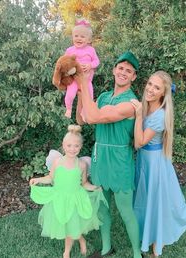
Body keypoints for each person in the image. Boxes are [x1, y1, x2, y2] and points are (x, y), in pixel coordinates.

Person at [131, 71, 186, 257]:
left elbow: (139, 142)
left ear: (163, 93)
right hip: (144, 162)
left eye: (157, 87)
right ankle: (150, 236)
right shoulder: (145, 107)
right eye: (150, 84)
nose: (150, 89)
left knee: (159, 204)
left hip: (155, 164)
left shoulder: (160, 116)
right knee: (146, 201)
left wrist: (137, 117)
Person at [76, 51, 143, 258]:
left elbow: (94, 116)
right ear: (114, 70)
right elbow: (82, 119)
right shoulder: (104, 96)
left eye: (128, 70)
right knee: (102, 208)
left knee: (126, 211)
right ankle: (106, 248)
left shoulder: (131, 103)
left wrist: (83, 80)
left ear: (133, 77)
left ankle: (136, 254)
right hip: (100, 157)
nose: (123, 72)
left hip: (120, 159)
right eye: (120, 68)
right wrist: (81, 90)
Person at [29, 124, 107, 258]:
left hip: (75, 199)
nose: (72, 149)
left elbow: (84, 183)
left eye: (76, 146)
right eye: (69, 145)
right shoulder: (58, 162)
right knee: (68, 225)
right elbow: (50, 178)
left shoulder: (82, 165)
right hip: (60, 199)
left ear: (80, 147)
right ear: (63, 146)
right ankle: (82, 240)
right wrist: (38, 180)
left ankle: (66, 252)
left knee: (72, 225)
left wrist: (94, 188)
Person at [64, 19, 100, 118]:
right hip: (74, 79)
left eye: (82, 36)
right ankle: (68, 109)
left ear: (88, 40)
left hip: (86, 80)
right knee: (70, 95)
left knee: (89, 96)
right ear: (72, 37)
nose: (79, 38)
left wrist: (90, 65)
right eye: (76, 36)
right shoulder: (70, 50)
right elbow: (64, 62)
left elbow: (97, 62)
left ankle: (85, 112)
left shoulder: (91, 50)